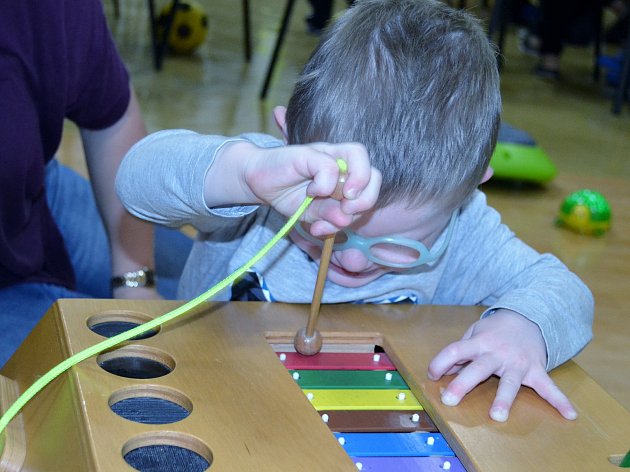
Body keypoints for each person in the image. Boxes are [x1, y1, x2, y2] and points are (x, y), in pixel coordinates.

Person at [116, 0, 593, 422]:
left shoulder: (465, 227)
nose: (353, 261)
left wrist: (520, 328)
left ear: (470, 188)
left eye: (395, 243)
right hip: (200, 402)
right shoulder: (268, 181)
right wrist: (241, 173)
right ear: (289, 138)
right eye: (325, 225)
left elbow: (565, 291)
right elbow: (136, 178)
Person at [0, 0, 191, 367]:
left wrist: (136, 281)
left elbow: (111, 115)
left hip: (30, 192)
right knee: (161, 364)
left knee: (225, 285)